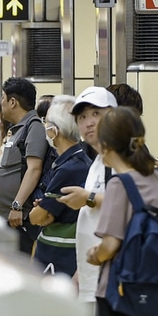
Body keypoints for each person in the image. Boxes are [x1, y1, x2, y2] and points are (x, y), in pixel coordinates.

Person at [85, 106, 158, 316]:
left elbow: (110, 245)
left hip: (121, 294)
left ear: (105, 146)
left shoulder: (120, 184)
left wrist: (94, 255)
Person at [58, 87, 117, 304]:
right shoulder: (99, 162)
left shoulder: (124, 157)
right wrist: (80, 274)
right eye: (82, 117)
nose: (88, 122)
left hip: (116, 282)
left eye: (96, 114)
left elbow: (132, 200)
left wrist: (88, 198)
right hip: (96, 280)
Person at [29, 96, 92, 277]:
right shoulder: (75, 160)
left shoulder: (69, 168)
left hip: (59, 255)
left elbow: (37, 217)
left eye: (46, 122)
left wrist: (43, 211)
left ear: (55, 131)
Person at [0, 77, 49, 254]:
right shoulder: (18, 129)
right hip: (8, 218)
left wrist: (17, 205)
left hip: (18, 218)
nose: (1, 102)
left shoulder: (34, 126)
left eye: (3, 98)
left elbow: (34, 168)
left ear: (13, 102)